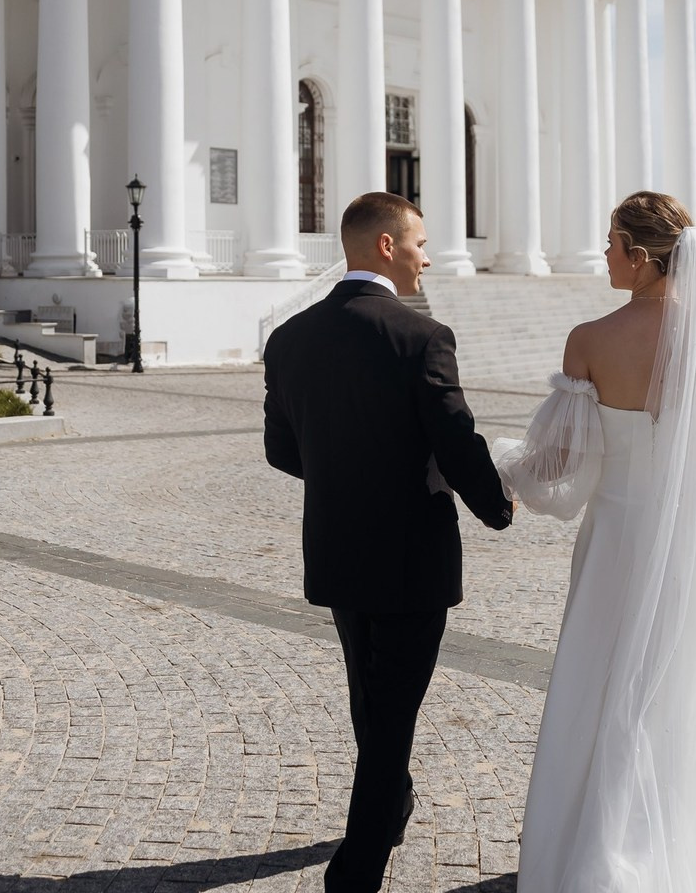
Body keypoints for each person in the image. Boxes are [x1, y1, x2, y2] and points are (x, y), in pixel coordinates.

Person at [495, 191, 696, 892]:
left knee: (607, 689)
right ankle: (669, 849)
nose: (603, 255)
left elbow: (564, 468)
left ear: (640, 258)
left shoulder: (590, 339)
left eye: (610, 243)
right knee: (676, 698)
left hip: (616, 538)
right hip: (691, 554)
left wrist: (494, 467)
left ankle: (602, 858)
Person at [263, 191, 514, 893]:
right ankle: (355, 873)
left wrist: (349, 472)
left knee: (371, 699)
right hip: (410, 556)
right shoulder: (420, 338)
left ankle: (393, 802)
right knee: (392, 713)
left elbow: (282, 450)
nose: (427, 257)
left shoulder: (288, 338)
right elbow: (456, 441)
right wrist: (498, 504)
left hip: (338, 547)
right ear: (385, 246)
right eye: (421, 243)